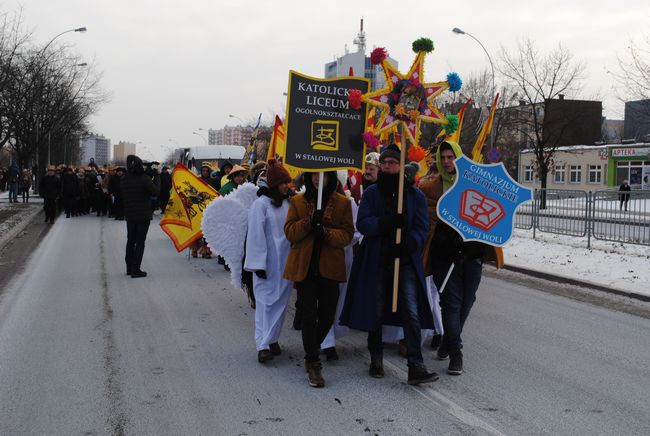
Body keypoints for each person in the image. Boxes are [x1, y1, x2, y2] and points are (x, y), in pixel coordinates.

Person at [341, 144, 438, 386]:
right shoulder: (372, 194)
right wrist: (386, 223)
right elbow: (363, 223)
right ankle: (376, 358)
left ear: (401, 166)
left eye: (392, 162)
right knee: (375, 309)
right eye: (384, 162)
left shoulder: (414, 196)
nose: (387, 166)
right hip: (376, 260)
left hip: (404, 260)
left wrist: (408, 244)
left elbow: (421, 228)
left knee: (411, 311)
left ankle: (416, 365)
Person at [427, 141, 497, 376]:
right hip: (444, 257)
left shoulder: (476, 184)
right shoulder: (431, 189)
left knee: (467, 301)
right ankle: (456, 354)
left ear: (458, 157)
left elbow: (489, 216)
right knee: (450, 303)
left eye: (450, 157)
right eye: (443, 157)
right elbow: (430, 224)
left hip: (472, 254)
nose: (447, 161)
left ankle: (449, 339)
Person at [283, 171, 354, 388]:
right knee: (307, 315)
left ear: (330, 178)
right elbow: (289, 232)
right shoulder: (297, 201)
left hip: (329, 267)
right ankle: (313, 362)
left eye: (322, 176)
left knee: (327, 315)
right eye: (313, 175)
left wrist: (327, 233)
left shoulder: (343, 203)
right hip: (305, 267)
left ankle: (310, 351)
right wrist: (307, 223)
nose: (317, 179)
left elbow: (348, 234)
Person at [244, 160, 294, 363]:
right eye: (283, 183)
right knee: (265, 303)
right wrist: (258, 264)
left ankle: (272, 338)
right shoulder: (260, 204)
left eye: (287, 183)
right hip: (267, 265)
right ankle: (262, 345)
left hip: (286, 263)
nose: (286, 186)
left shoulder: (289, 203)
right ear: (274, 184)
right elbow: (255, 235)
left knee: (281, 303)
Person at [121, 155, 160, 278]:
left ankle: (129, 268)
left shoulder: (124, 179)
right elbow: (155, 191)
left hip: (130, 215)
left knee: (130, 241)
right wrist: (157, 176)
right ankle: (136, 269)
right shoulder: (144, 179)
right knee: (140, 242)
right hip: (143, 216)